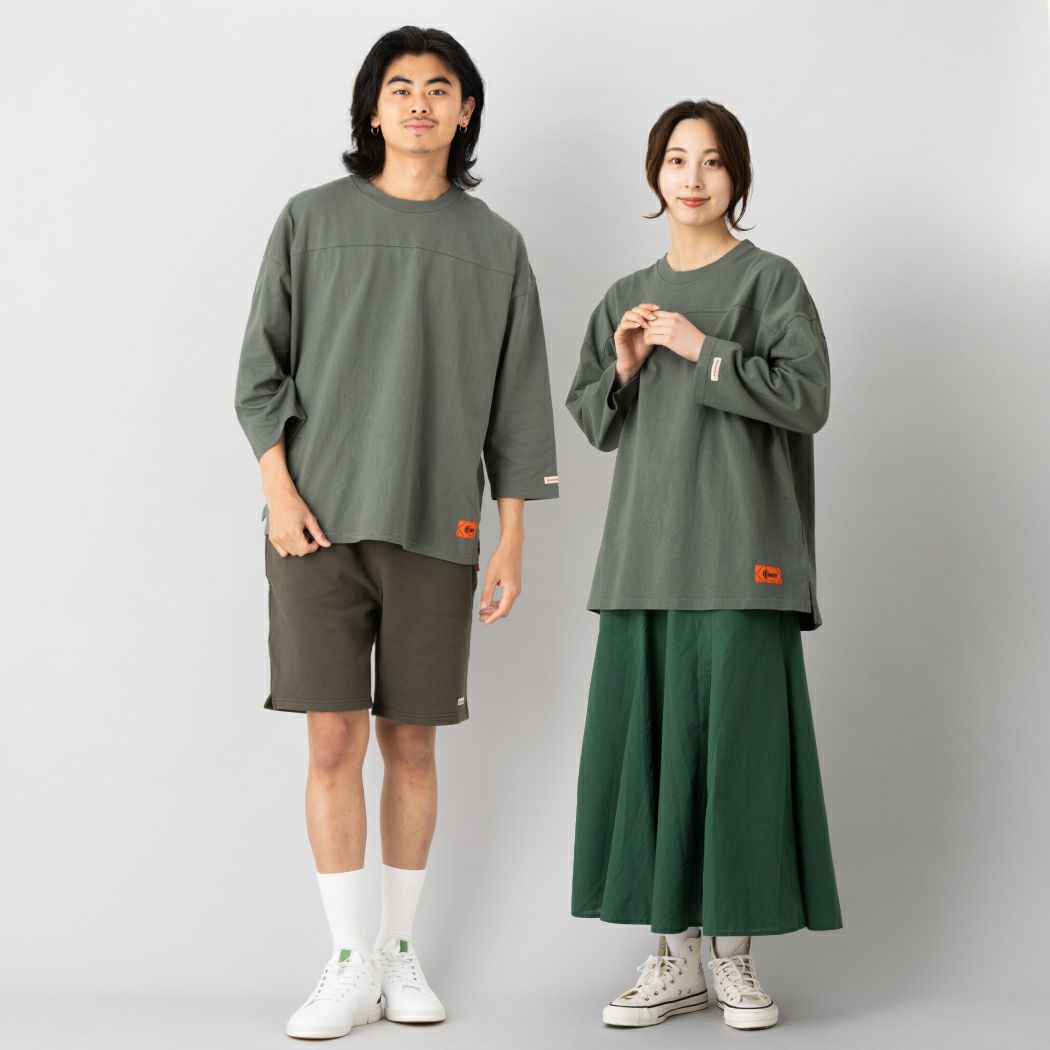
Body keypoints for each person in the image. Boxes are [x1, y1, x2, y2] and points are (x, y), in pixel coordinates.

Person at [234, 25, 559, 1039]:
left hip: (437, 526)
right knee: (331, 739)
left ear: (467, 110)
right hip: (315, 530)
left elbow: (518, 404)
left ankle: (399, 953)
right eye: (401, 86)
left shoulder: (496, 246)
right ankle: (345, 962)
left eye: (440, 87)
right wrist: (281, 493)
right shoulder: (311, 219)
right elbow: (259, 373)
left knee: (412, 741)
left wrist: (512, 537)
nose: (420, 101)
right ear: (371, 109)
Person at [565, 99, 842, 1032]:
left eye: (713, 160)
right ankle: (672, 957)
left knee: (739, 757)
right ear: (655, 174)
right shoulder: (627, 294)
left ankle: (734, 957)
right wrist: (627, 364)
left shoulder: (771, 282)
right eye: (677, 159)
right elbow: (592, 419)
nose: (692, 177)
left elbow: (809, 399)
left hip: (741, 555)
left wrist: (704, 351)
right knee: (652, 758)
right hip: (644, 559)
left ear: (737, 176)